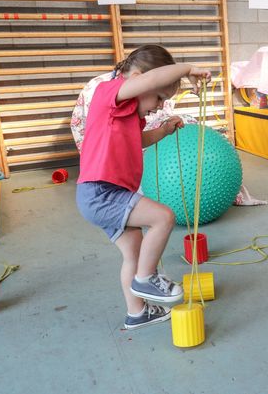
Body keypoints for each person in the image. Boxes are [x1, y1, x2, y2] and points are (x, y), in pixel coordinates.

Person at [76, 45, 211, 329]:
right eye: (161, 96)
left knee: (134, 254)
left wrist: (162, 131)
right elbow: (147, 82)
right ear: (135, 78)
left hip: (104, 194)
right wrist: (187, 69)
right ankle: (147, 279)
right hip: (102, 193)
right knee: (163, 217)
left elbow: (137, 141)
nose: (161, 104)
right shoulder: (108, 94)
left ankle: (137, 313)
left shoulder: (126, 114)